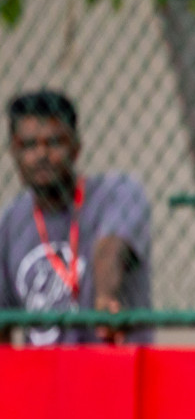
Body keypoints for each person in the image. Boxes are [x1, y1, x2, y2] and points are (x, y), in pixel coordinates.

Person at [0, 90, 152, 346]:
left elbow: (112, 246)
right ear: (14, 152)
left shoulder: (118, 192)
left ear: (76, 147)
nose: (42, 155)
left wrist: (105, 298)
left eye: (54, 142)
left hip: (111, 371)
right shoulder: (9, 223)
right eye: (29, 145)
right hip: (45, 378)